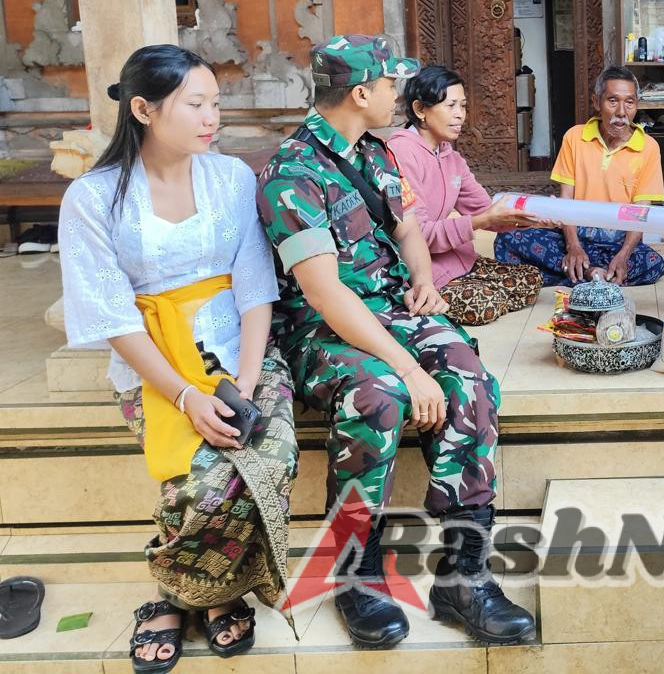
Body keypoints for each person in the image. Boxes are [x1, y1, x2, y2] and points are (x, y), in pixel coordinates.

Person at [256, 35, 533, 648]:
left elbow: (407, 227)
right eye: (390, 86)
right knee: (378, 394)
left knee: (471, 377)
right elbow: (326, 297)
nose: (399, 95)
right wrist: (409, 368)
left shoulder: (376, 153)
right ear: (360, 93)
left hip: (389, 310)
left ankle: (464, 575)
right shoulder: (291, 175)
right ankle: (356, 571)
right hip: (324, 328)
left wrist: (425, 282)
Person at [58, 46, 294, 674]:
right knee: (203, 475)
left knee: (265, 454)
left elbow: (253, 285)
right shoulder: (93, 198)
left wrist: (243, 381)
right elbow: (111, 314)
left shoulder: (232, 178)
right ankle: (200, 595)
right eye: (196, 104)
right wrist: (187, 396)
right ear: (144, 109)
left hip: (240, 350)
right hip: (153, 359)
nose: (212, 117)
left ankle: (186, 593)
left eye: (215, 103)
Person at [387, 66, 544, 325]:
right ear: (420, 110)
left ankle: (468, 287)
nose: (460, 115)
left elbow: (485, 209)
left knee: (530, 279)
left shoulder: (452, 157)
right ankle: (423, 299)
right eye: (450, 106)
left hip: (460, 261)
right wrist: (480, 222)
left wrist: (533, 217)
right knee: (485, 304)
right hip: (422, 270)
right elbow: (420, 235)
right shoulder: (401, 153)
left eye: (463, 106)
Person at [495, 66, 664, 285]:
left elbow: (641, 213)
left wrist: (623, 256)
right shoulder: (574, 137)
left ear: (636, 105)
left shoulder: (648, 147)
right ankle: (591, 272)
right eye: (612, 101)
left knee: (654, 263)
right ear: (597, 102)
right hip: (575, 232)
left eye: (629, 102)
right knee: (508, 237)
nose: (621, 112)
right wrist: (573, 246)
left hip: (618, 240)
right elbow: (566, 201)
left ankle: (583, 272)